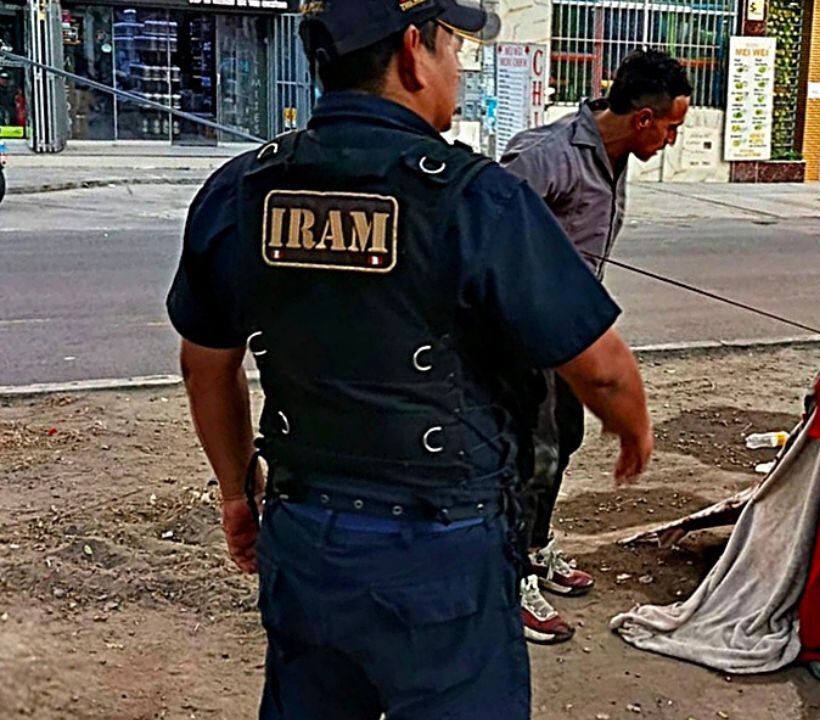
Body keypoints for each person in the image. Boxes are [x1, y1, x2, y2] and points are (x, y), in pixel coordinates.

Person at [165, 0, 654, 716]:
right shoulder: (474, 196)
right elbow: (601, 368)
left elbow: (204, 363)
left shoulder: (243, 189)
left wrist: (238, 491)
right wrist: (634, 427)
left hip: (306, 537)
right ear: (411, 52)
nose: (458, 68)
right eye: (453, 48)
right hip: (442, 548)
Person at [500, 49, 690, 644]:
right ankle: (511, 578)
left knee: (566, 438)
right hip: (521, 333)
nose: (672, 139)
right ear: (642, 120)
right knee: (534, 452)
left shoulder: (614, 154)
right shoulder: (544, 156)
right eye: (671, 127)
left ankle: (537, 544)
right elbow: (485, 237)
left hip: (569, 332)